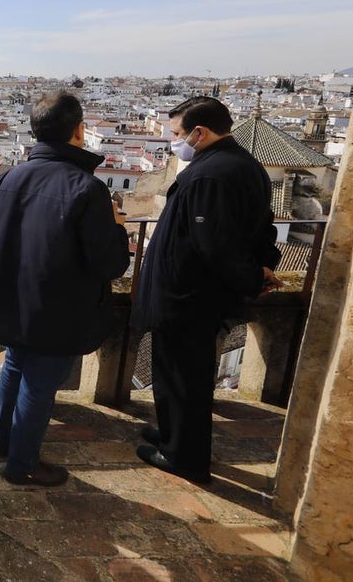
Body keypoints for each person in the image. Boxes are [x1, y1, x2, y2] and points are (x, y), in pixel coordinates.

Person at [0, 91, 130, 486]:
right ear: (79, 132)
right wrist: (116, 226)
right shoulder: (86, 188)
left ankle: (4, 440)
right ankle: (21, 464)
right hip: (59, 307)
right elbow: (109, 263)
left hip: (12, 297)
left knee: (14, 367)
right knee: (40, 384)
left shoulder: (8, 178)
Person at [132, 96, 282, 483]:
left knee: (184, 377)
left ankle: (183, 456)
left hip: (188, 297)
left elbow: (215, 245)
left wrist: (253, 277)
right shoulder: (244, 165)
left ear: (199, 133)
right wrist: (264, 267)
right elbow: (260, 227)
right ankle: (172, 434)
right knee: (178, 373)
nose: (173, 141)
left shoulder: (209, 175)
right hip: (196, 295)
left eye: (177, 134)